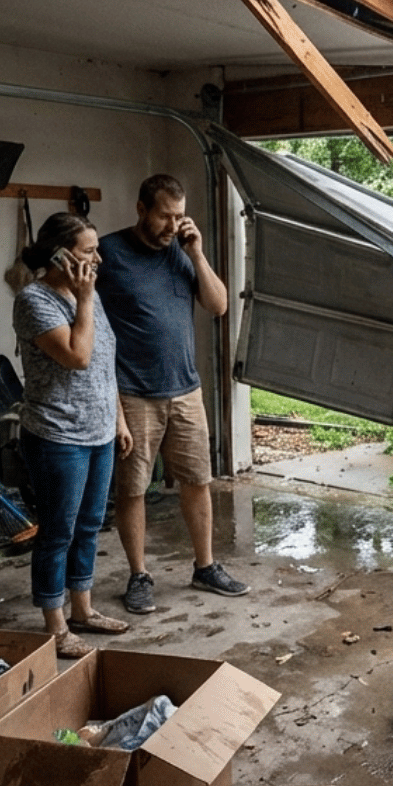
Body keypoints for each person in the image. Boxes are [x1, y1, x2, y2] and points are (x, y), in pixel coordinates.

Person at [96, 173, 249, 614]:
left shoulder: (181, 254)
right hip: (133, 392)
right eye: (165, 215)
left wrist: (197, 253)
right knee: (133, 489)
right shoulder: (110, 253)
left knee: (198, 481)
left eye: (179, 216)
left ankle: (205, 567)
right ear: (141, 209)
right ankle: (139, 575)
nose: (172, 224)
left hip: (185, 389)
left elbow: (218, 305)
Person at [13, 211, 132, 657]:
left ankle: (83, 610)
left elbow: (104, 361)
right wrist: (84, 299)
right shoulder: (34, 300)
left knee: (88, 526)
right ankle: (55, 627)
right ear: (60, 255)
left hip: (98, 432)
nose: (98, 258)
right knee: (57, 532)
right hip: (57, 436)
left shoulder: (89, 295)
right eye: (88, 251)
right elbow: (78, 357)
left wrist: (117, 419)